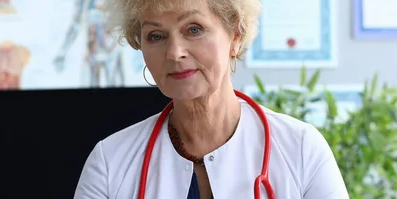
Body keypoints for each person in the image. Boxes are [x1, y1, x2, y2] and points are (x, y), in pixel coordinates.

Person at [73, 0, 349, 198]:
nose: (175, 52)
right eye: (156, 36)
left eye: (194, 29)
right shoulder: (110, 162)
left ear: (236, 36)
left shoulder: (300, 149)